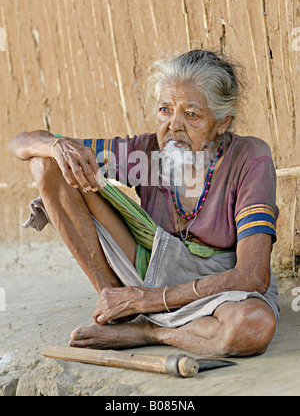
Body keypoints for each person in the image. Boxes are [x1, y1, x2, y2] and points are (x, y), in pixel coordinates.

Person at [8, 49, 280, 357]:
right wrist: (57, 145)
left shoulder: (250, 158)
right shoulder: (146, 152)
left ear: (222, 122)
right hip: (152, 268)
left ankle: (149, 330)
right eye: (165, 110)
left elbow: (253, 276)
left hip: (218, 287)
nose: (173, 126)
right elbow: (19, 144)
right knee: (49, 163)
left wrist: (146, 300)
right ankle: (116, 305)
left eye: (191, 114)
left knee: (252, 326)